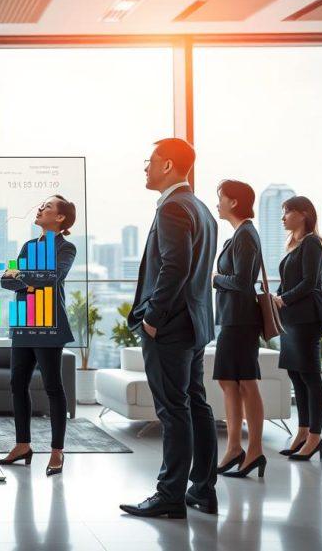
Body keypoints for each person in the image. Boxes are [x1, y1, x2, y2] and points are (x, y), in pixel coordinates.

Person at [120, 138, 218, 519]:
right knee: (196, 404)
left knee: (174, 409)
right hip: (194, 326)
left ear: (168, 166)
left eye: (151, 160)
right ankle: (202, 490)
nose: (145, 167)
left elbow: (174, 268)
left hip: (171, 328)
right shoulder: (201, 209)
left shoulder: (174, 208)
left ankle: (170, 495)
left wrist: (152, 319)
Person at [0, 195, 77, 476]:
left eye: (48, 206)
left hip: (48, 324)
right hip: (24, 323)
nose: (40, 207)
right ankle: (22, 445)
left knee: (53, 387)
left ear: (60, 218)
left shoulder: (66, 248)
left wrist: (22, 275)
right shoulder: (29, 246)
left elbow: (53, 277)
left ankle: (57, 451)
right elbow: (6, 280)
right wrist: (27, 278)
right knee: (17, 383)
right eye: (41, 204)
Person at [211, 180, 267, 479]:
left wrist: (216, 278)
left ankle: (254, 450)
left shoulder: (246, 234)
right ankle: (234, 448)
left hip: (241, 321)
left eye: (220, 198)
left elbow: (243, 282)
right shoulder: (240, 235)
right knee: (228, 381)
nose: (217, 203)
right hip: (233, 319)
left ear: (234, 202)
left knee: (246, 382)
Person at [274, 195, 322, 462]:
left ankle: (315, 437)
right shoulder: (294, 245)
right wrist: (275, 296)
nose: (283, 217)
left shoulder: (312, 244)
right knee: (297, 377)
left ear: (303, 214)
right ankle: (303, 431)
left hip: (306, 322)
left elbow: (310, 283)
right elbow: (292, 280)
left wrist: (283, 298)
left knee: (310, 378)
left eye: (287, 212)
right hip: (291, 321)